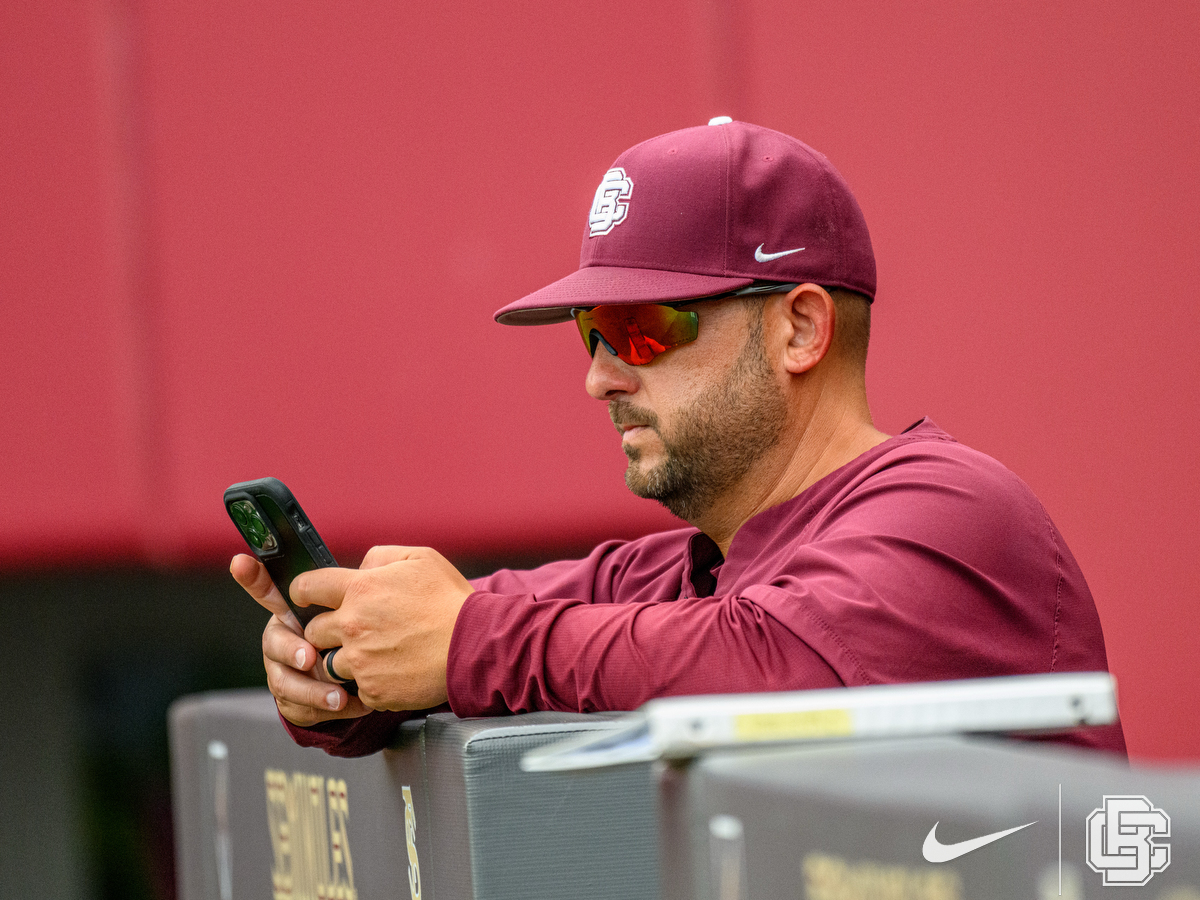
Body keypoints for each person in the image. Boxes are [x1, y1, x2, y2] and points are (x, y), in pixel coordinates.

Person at [232, 118, 1126, 757]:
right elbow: (461, 624)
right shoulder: (677, 570)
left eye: (641, 328)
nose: (600, 378)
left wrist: (468, 643)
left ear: (800, 330)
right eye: (592, 333)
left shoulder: (952, 509)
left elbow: (770, 663)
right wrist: (344, 665)